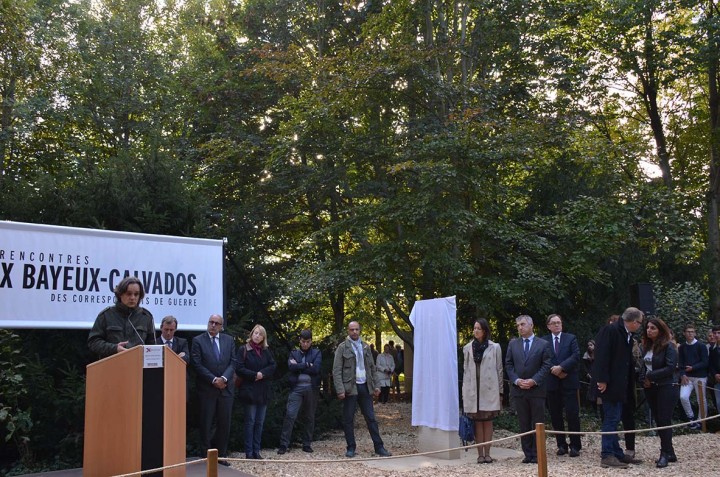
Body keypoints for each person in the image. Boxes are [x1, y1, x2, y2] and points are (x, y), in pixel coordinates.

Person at [592, 307, 644, 469]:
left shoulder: (626, 334)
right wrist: (601, 379)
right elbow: (601, 355)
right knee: (611, 418)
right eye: (640, 323)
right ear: (634, 322)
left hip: (621, 384)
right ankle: (607, 454)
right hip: (610, 384)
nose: (640, 326)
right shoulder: (611, 330)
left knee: (615, 418)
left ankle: (617, 452)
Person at [332, 321, 392, 458]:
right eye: (352, 329)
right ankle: (351, 448)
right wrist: (340, 389)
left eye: (356, 329)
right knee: (348, 419)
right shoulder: (342, 348)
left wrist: (377, 385)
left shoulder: (365, 346)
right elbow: (336, 370)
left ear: (360, 330)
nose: (354, 332)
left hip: (365, 386)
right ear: (348, 331)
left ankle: (379, 447)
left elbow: (372, 368)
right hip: (349, 387)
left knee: (371, 418)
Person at [505, 314, 552, 464]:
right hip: (519, 390)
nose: (520, 327)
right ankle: (528, 454)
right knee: (524, 423)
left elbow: (546, 365)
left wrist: (534, 380)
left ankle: (538, 454)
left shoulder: (543, 344)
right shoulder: (513, 344)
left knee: (537, 422)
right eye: (518, 325)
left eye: (523, 324)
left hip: (536, 390)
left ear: (531, 325)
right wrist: (517, 380)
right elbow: (509, 364)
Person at [191, 314, 237, 465]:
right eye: (211, 322)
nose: (213, 325)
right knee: (206, 423)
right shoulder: (198, 340)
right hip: (207, 389)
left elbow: (233, 362)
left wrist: (223, 379)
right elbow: (197, 364)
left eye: (217, 323)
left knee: (224, 424)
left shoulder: (228, 340)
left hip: (225, 389)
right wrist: (213, 380)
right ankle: (205, 456)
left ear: (221, 326)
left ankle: (221, 455)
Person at [640, 317, 680, 468]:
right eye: (648, 328)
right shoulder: (647, 346)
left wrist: (650, 376)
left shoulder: (669, 346)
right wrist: (643, 378)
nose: (649, 330)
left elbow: (670, 368)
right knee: (659, 420)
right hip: (651, 388)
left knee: (664, 420)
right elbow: (646, 366)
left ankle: (664, 453)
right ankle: (670, 452)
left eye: (653, 328)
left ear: (660, 330)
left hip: (667, 386)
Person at [462, 318, 503, 464]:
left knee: (488, 422)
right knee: (478, 422)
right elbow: (465, 371)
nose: (475, 331)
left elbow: (499, 370)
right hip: (473, 389)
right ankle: (479, 454)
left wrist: (500, 392)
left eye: (478, 328)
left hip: (489, 389)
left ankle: (488, 453)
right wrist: (464, 393)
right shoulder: (467, 348)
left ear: (484, 330)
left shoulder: (495, 347)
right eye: (474, 328)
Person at [542, 314, 582, 457]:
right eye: (554, 323)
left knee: (572, 414)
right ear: (548, 326)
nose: (557, 325)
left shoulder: (570, 338)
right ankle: (561, 445)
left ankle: (575, 445)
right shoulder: (543, 341)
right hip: (552, 383)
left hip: (569, 381)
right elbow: (543, 359)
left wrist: (562, 367)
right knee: (555, 415)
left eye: (559, 322)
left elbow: (576, 356)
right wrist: (555, 370)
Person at [88, 276, 156, 358]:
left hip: (137, 366)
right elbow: (93, 342)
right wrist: (114, 348)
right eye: (129, 294)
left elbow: (152, 348)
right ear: (120, 294)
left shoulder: (146, 317)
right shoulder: (106, 315)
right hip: (111, 365)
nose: (132, 298)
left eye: (136, 294)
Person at [277, 329, 321, 455]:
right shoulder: (294, 353)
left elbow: (316, 369)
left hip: (311, 388)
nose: (305, 344)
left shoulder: (317, 352)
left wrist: (300, 366)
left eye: (307, 342)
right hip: (296, 388)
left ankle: (307, 444)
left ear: (311, 341)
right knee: (290, 415)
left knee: (309, 417)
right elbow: (291, 367)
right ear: (300, 341)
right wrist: (308, 365)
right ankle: (284, 444)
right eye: (303, 341)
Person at [236, 324, 277, 460]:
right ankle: (249, 451)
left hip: (263, 391)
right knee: (250, 421)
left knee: (260, 422)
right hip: (249, 390)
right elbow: (239, 368)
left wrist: (262, 374)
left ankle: (256, 450)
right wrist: (255, 374)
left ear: (263, 337)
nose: (257, 336)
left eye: (260, 334)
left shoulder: (265, 351)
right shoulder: (244, 349)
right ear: (251, 334)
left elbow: (272, 365)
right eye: (255, 333)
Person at [678, 323, 709, 429]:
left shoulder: (701, 346)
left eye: (692, 331)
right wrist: (682, 374)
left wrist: (693, 367)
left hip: (700, 376)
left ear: (695, 333)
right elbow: (680, 362)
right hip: (687, 377)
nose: (690, 333)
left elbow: (705, 362)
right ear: (684, 333)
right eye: (688, 331)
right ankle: (691, 418)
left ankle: (701, 421)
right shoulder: (682, 347)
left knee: (702, 399)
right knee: (683, 396)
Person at [583, 339, 599, 416]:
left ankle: (600, 412)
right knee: (592, 395)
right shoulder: (586, 355)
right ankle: (594, 411)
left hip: (598, 376)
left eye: (591, 345)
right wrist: (587, 373)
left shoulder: (598, 354)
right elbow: (585, 366)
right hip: (590, 376)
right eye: (588, 345)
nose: (589, 347)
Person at [708, 325, 720, 413]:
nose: (716, 335)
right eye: (715, 333)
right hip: (717, 380)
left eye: (719, 333)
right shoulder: (712, 348)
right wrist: (715, 374)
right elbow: (711, 364)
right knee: (718, 403)